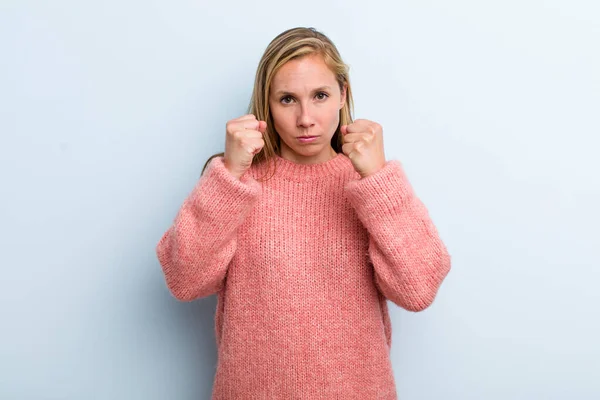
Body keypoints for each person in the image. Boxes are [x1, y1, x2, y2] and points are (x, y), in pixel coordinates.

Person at [156, 26, 451, 400]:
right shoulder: (236, 185)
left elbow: (419, 289)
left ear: (343, 95)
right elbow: (185, 280)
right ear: (267, 103)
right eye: (287, 99)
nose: (306, 118)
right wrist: (229, 174)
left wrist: (378, 179)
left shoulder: (370, 185)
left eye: (321, 95)